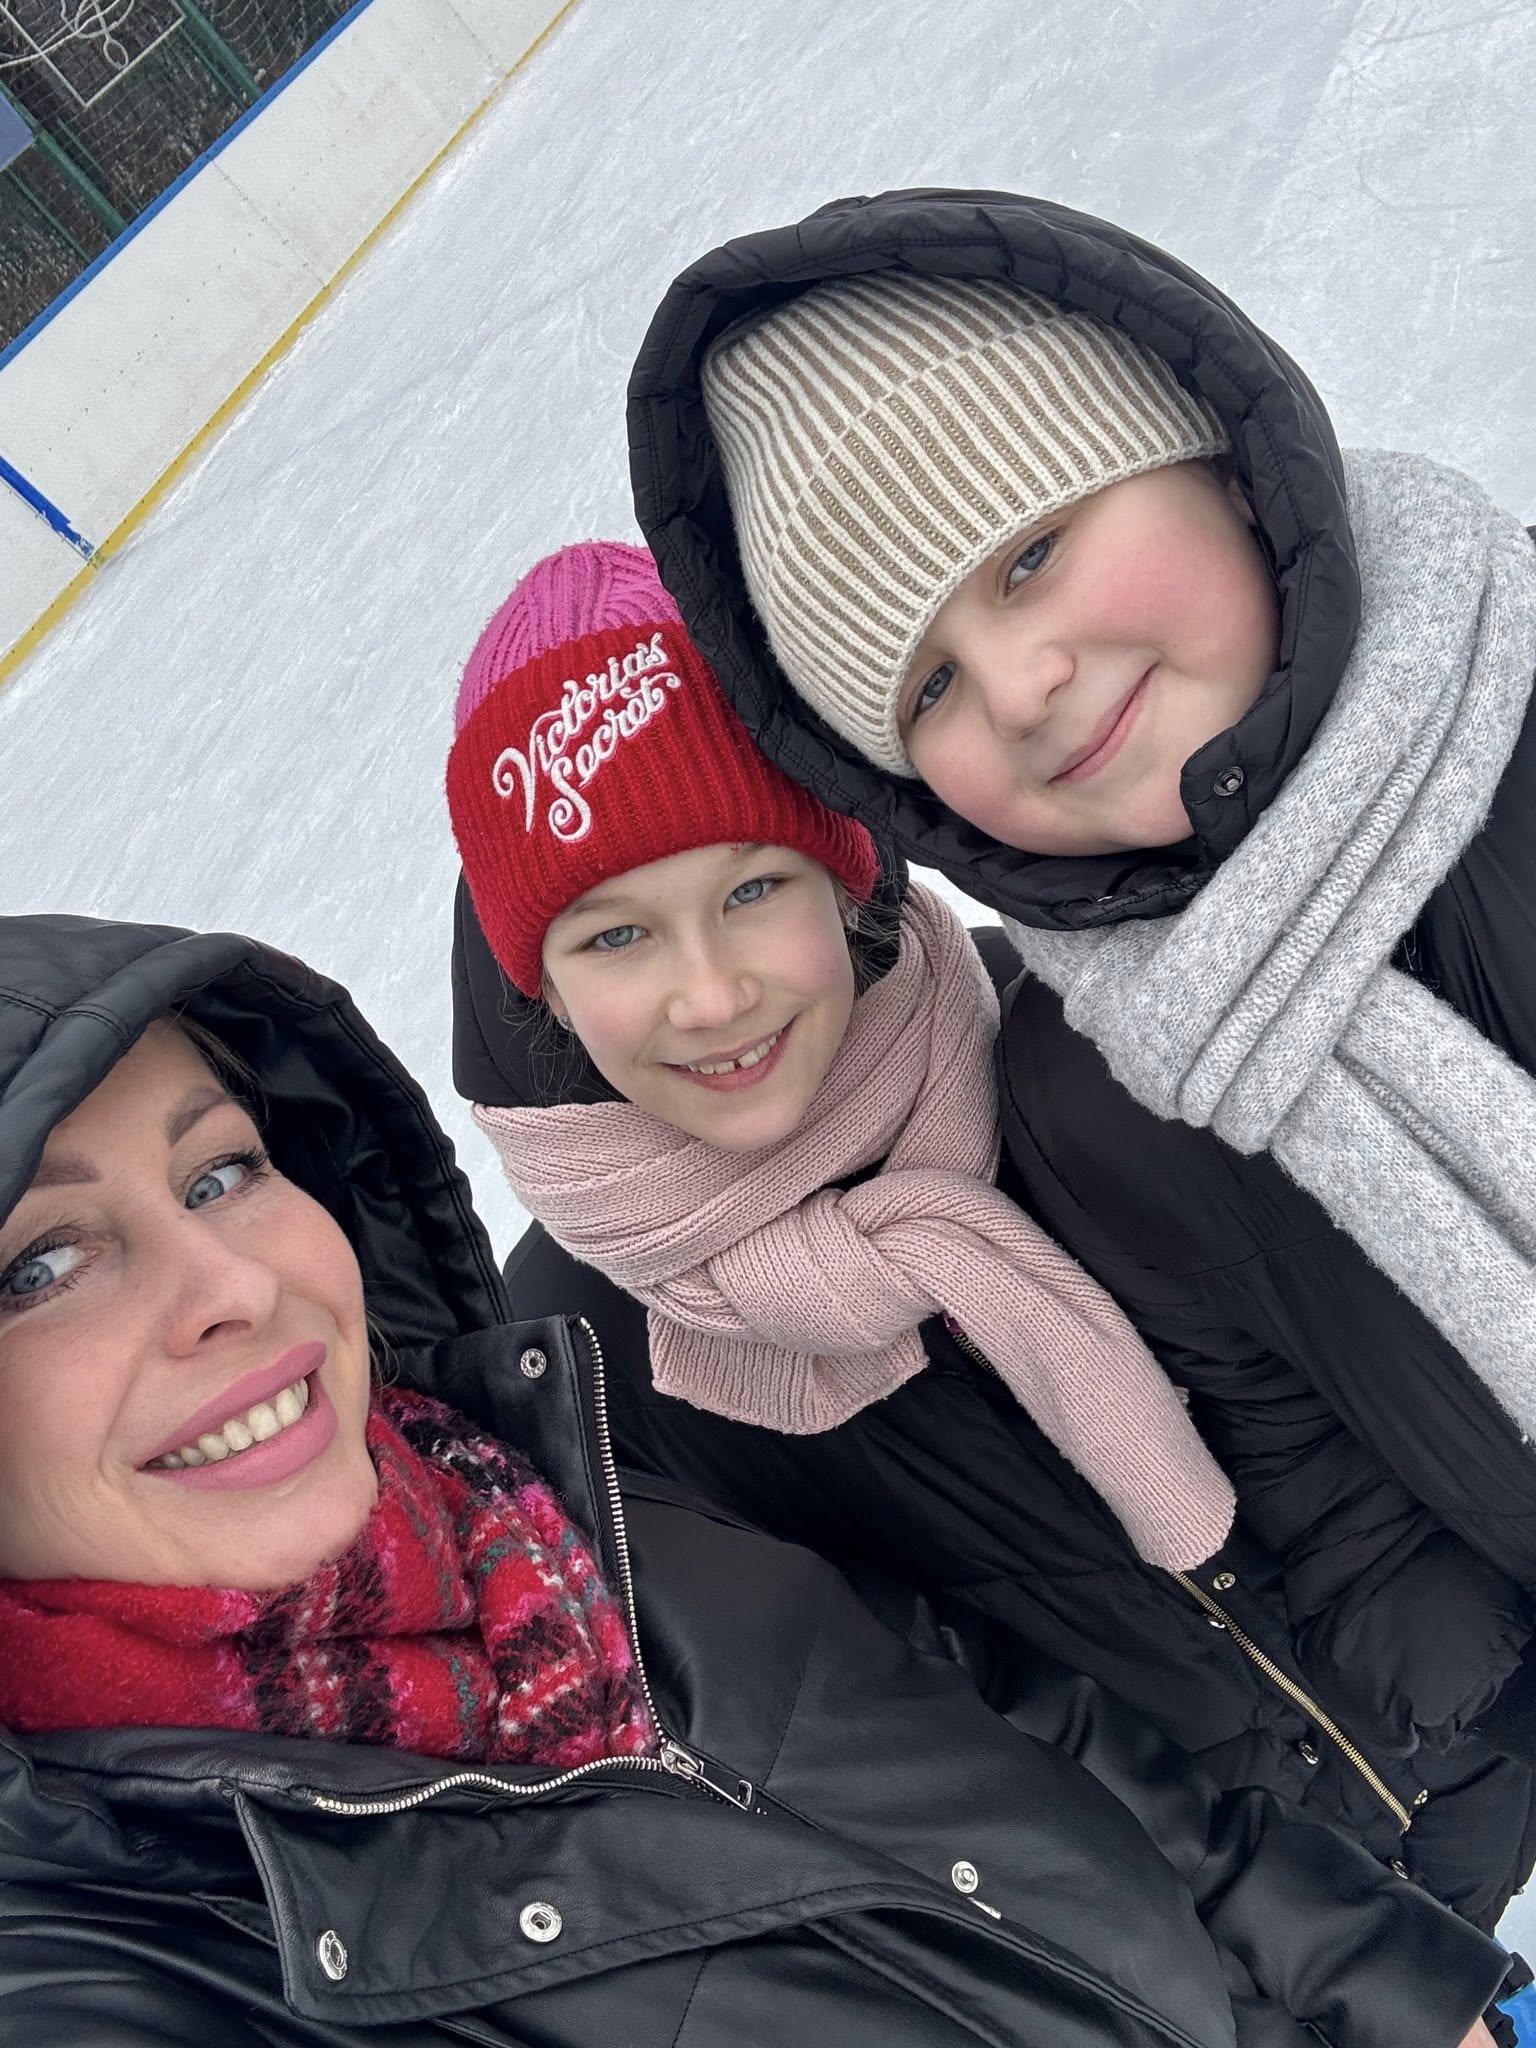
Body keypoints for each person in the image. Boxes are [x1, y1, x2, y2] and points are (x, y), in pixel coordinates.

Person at [0, 915, 1507, 2048]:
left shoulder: (548, 1494)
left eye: (221, 1174)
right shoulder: (120, 1963)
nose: (230, 1289)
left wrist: (1411, 1993)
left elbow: (1044, 1744)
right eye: (41, 1266)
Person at [619, 185, 1536, 1931]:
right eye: (926, 692)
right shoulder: (1087, 1091)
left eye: (1029, 551)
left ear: (1210, 443)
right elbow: (1313, 1468)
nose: (1027, 684)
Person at [445, 543, 1521, 1998]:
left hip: (1478, 1764)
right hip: (1238, 1980)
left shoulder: (1092, 1039)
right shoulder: (584, 1374)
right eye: (619, 934)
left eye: (754, 888)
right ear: (543, 981)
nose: (710, 994)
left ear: (848, 874)